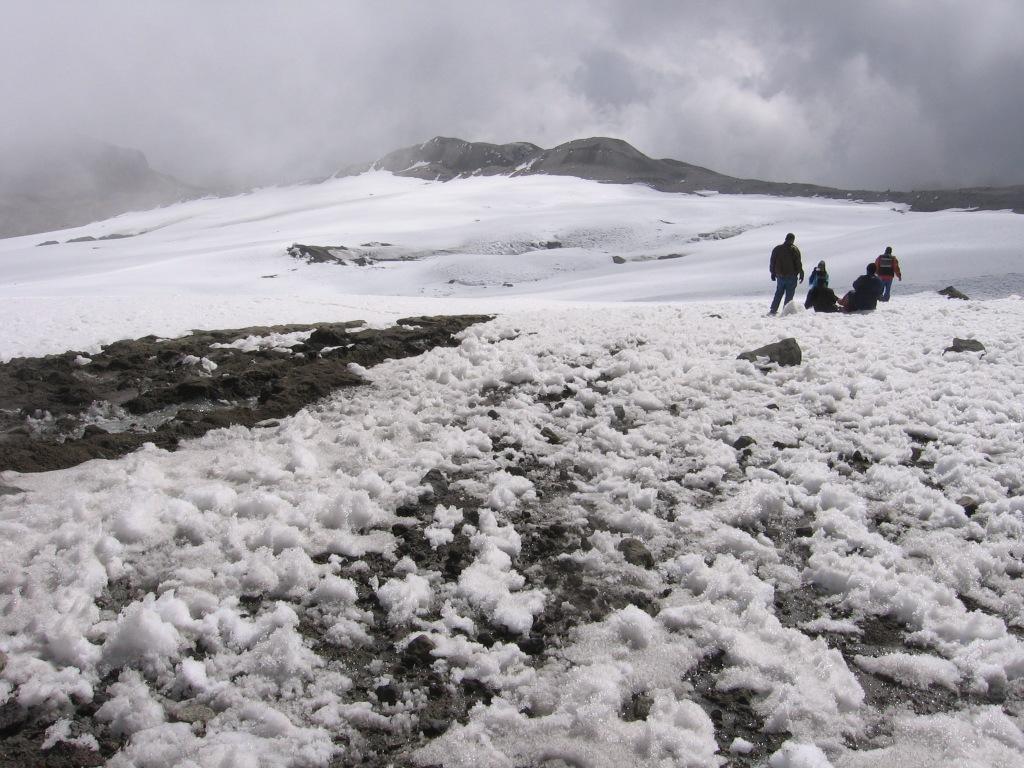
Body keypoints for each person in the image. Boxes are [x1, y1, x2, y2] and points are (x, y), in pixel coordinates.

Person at [768, 233, 804, 315]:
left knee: (779, 293)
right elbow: (798, 264)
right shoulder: (794, 250)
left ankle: (773, 309)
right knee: (789, 295)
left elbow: (772, 262)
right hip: (791, 276)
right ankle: (786, 312)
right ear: (793, 239)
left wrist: (772, 273)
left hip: (780, 276)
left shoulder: (777, 249)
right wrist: (801, 273)